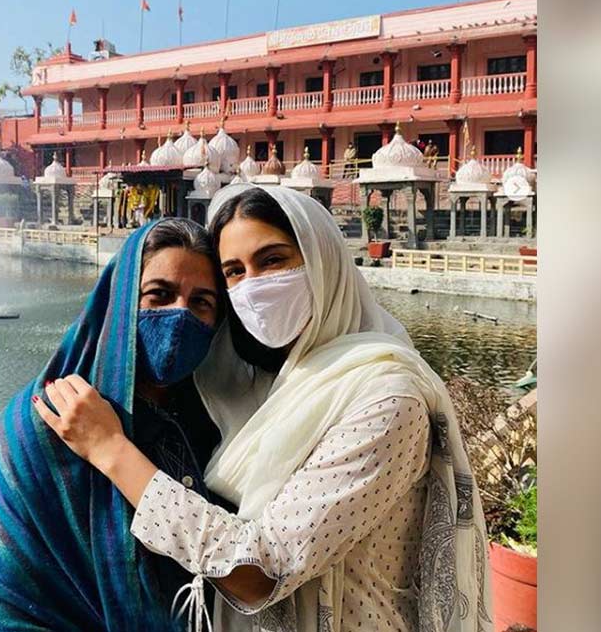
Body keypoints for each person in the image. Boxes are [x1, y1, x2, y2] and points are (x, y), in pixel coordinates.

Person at [36, 185, 492, 632]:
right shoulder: (264, 388)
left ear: (322, 260)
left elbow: (259, 571)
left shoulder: (387, 399)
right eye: (234, 272)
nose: (254, 286)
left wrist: (111, 449)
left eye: (272, 260)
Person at [0, 219, 228, 631]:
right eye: (159, 295)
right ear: (119, 301)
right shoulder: (42, 424)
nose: (180, 315)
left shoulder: (210, 419)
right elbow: (0, 604)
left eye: (201, 303)